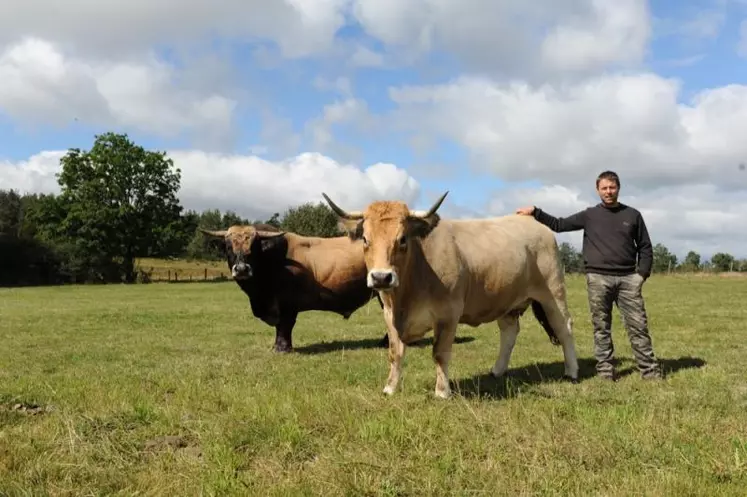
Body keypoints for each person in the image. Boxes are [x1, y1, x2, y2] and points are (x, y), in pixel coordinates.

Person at [515, 170, 663, 381]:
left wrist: (641, 275)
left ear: (618, 188)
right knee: (601, 327)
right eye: (604, 188)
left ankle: (649, 371)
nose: (608, 192)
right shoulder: (590, 215)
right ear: (598, 190)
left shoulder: (633, 215)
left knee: (638, 326)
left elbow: (645, 247)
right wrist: (536, 212)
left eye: (612, 187)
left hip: (628, 280)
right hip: (598, 279)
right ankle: (605, 371)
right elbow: (559, 224)